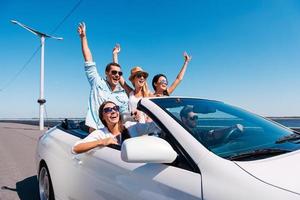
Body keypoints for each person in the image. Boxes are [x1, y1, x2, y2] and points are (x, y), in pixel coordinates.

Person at [78, 22, 129, 132]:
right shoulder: (97, 83)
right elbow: (88, 59)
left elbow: (124, 117)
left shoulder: (123, 95)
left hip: (114, 135)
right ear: (106, 73)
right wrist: (83, 37)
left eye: (119, 74)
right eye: (114, 72)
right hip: (96, 131)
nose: (117, 75)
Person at [72, 101, 160, 154]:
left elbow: (157, 126)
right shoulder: (101, 133)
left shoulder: (131, 127)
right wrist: (102, 142)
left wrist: (144, 111)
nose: (113, 111)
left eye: (115, 108)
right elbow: (75, 148)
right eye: (108, 110)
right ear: (102, 116)